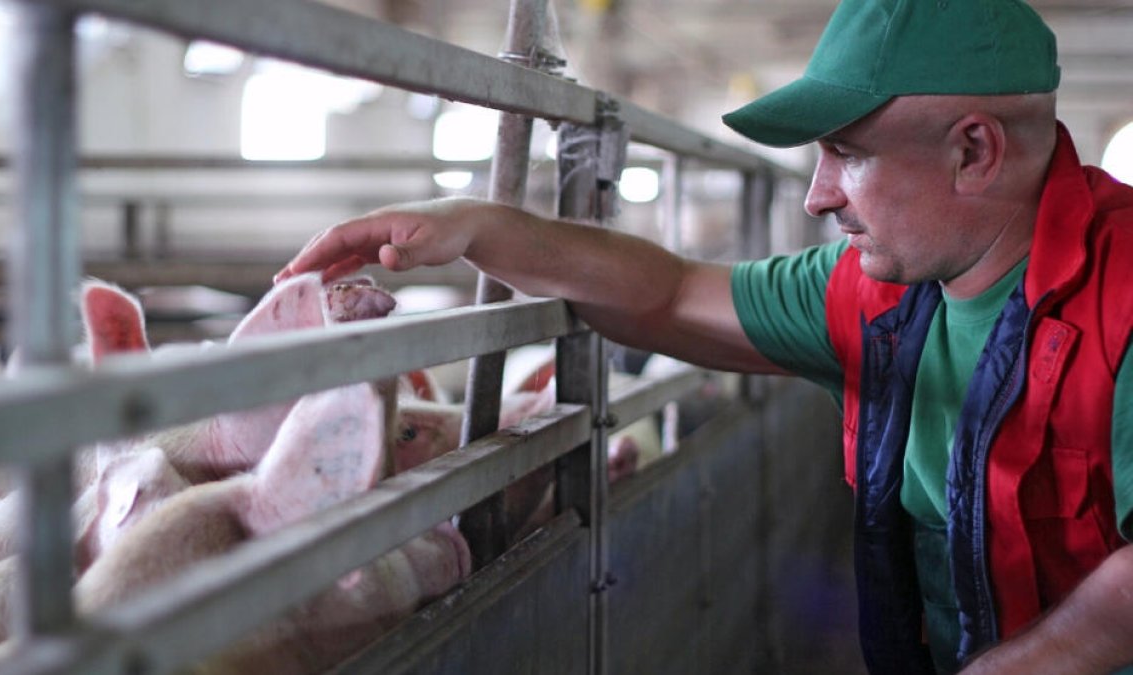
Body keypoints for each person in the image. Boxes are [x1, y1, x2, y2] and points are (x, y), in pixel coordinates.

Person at [276, 0, 1133, 672]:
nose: (818, 195)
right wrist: (479, 226)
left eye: (847, 152)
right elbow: (671, 292)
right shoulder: (878, 297)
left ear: (974, 152)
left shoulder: (1123, 295)